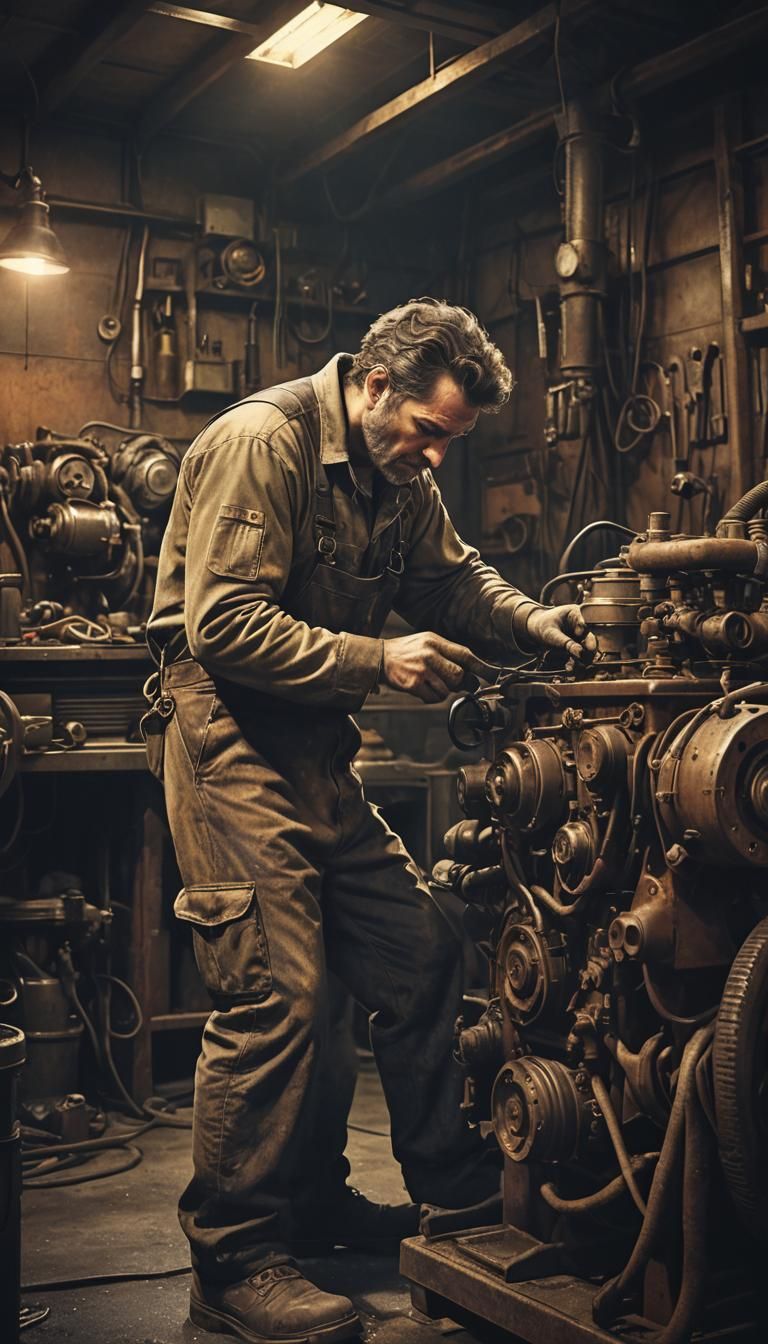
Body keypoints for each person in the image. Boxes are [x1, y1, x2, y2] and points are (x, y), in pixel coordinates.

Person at [145, 298, 593, 1344]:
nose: (434, 455)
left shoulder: (399, 477)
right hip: (227, 734)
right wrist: (374, 658)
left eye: (451, 440)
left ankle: (447, 1200)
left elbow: (449, 577)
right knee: (278, 993)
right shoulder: (266, 443)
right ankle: (235, 1259)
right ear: (374, 386)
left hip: (311, 746)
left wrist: (537, 622)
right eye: (427, 430)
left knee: (422, 949)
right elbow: (224, 624)